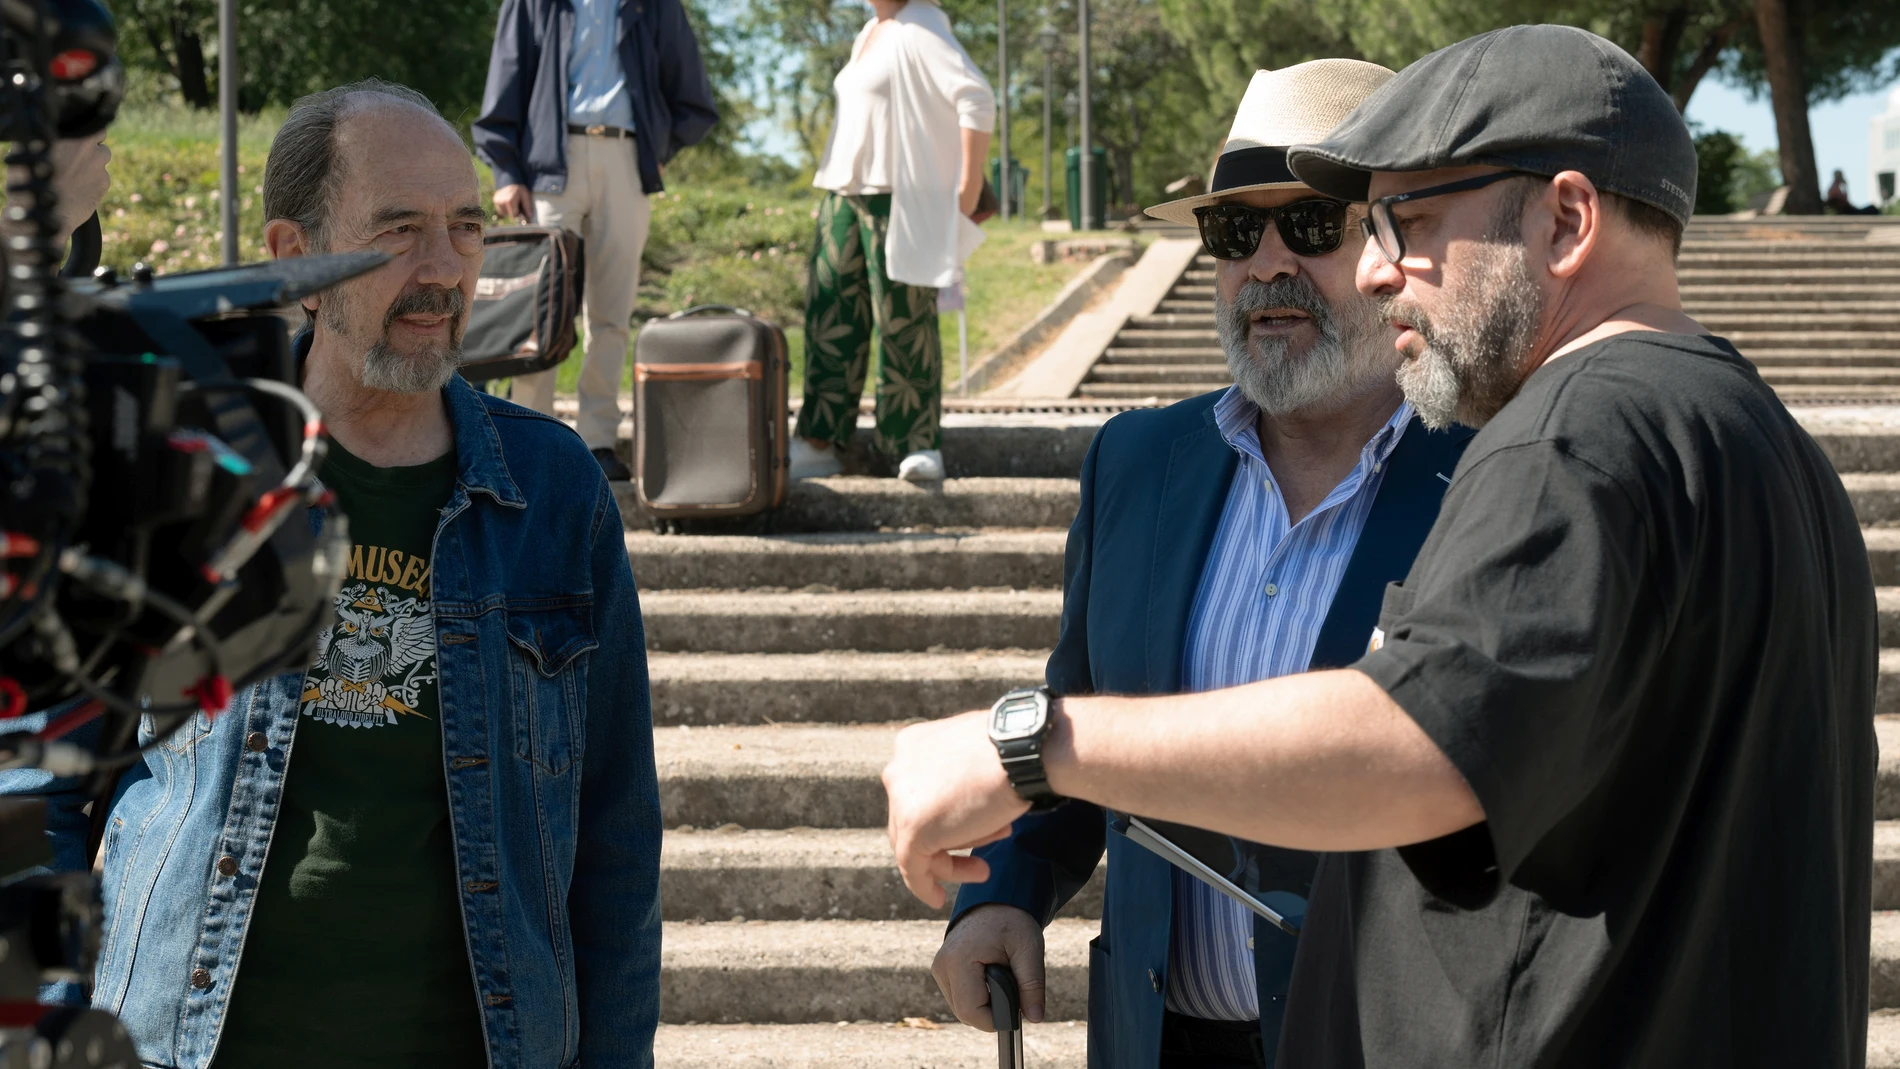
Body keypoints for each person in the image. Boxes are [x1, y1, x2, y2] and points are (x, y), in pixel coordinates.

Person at [882, 25, 1875, 1069]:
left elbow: (1422, 740)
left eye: (1402, 220)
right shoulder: (1748, 431)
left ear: (1568, 219)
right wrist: (1012, 877)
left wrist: (1034, 744)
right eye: (1233, 230)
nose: (1374, 268)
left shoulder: (1562, 442)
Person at [1, 80, 660, 1068]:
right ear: (293, 258)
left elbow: (615, 842)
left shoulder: (554, 490)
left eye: (466, 227)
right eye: (398, 230)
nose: (443, 269)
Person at [931, 60, 1475, 1069]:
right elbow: (1084, 718)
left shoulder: (1491, 472)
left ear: (1394, 244)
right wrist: (1005, 892)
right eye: (1232, 233)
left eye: (1308, 223)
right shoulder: (1136, 461)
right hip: (1156, 1042)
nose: (1266, 265)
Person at [474, 0, 719, 481]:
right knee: (539, 311)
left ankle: (597, 441)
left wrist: (657, 147)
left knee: (612, 313)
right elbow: (506, 80)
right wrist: (507, 172)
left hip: (626, 160)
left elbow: (692, 95)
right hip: (550, 164)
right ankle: (529, 441)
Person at [787, 0, 994, 483]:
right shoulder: (870, 31)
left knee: (904, 320)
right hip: (844, 192)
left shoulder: (920, 24)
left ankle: (916, 444)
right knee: (830, 317)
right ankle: (820, 441)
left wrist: (967, 188)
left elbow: (976, 97)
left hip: (898, 196)